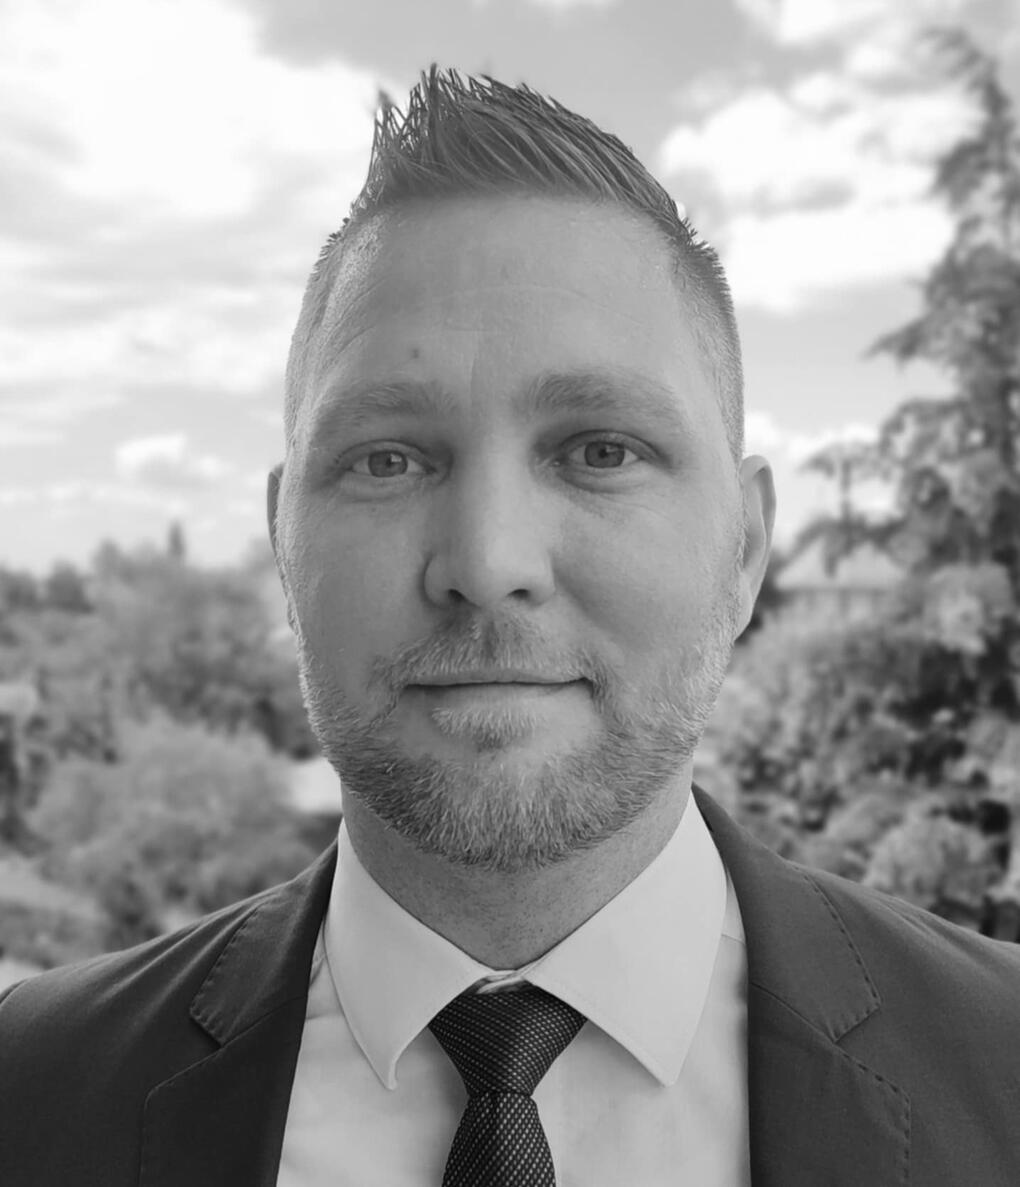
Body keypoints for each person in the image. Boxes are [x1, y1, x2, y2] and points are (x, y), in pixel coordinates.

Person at [2, 65, 1019, 1187]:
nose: (487, 566)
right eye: (387, 459)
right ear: (285, 548)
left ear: (744, 547)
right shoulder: (29, 1090)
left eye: (600, 450)